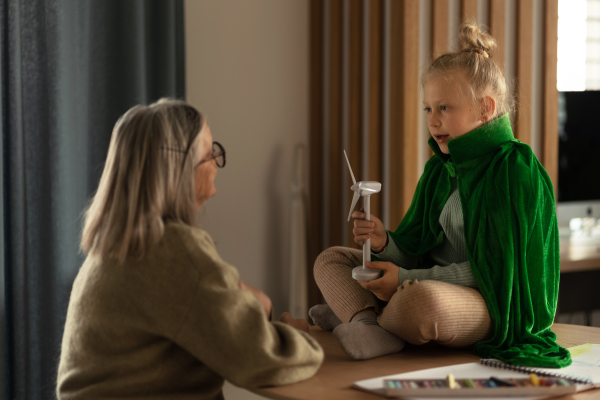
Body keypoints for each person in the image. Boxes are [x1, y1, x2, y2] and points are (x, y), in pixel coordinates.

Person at [309, 22, 572, 368]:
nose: (433, 121)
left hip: (488, 302)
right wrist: (384, 242)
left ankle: (358, 317)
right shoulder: (441, 169)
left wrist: (403, 280)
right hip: (423, 283)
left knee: (421, 301)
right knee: (331, 260)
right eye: (428, 109)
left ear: (485, 109)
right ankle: (367, 324)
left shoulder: (513, 171)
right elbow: (420, 252)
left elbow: (493, 274)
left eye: (444, 108)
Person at [56, 98, 323, 400]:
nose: (216, 165)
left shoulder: (114, 247)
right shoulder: (172, 249)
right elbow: (262, 360)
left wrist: (248, 303)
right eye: (210, 154)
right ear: (180, 170)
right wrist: (300, 336)